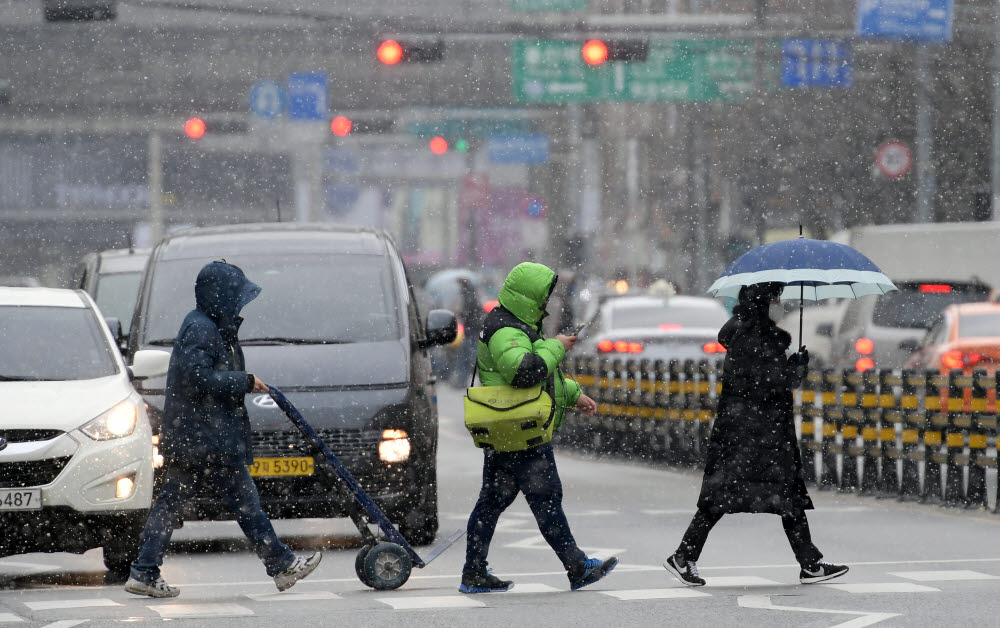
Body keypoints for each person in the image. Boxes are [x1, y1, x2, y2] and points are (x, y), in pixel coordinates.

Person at [125, 260, 321, 598]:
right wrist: (243, 381)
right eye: (235, 296)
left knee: (174, 505)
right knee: (244, 504)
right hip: (205, 439)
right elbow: (197, 377)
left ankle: (144, 571)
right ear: (219, 296)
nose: (239, 304)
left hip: (200, 437)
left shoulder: (210, 325)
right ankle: (281, 565)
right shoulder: (202, 329)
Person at [663, 282, 848, 587]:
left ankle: (810, 563)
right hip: (754, 434)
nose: (779, 303)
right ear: (764, 301)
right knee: (736, 497)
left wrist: (789, 368)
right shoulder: (755, 336)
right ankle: (683, 556)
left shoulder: (745, 331)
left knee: (780, 496)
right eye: (776, 298)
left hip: (750, 432)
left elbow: (761, 381)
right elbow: (766, 385)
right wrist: (793, 371)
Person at [460, 262, 617, 594]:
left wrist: (574, 394)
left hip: (513, 429)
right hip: (521, 431)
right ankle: (576, 567)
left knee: (492, 502)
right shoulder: (506, 330)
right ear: (529, 296)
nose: (547, 302)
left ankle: (474, 572)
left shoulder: (518, 326)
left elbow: (541, 380)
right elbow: (525, 373)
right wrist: (558, 345)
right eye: (544, 295)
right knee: (546, 500)